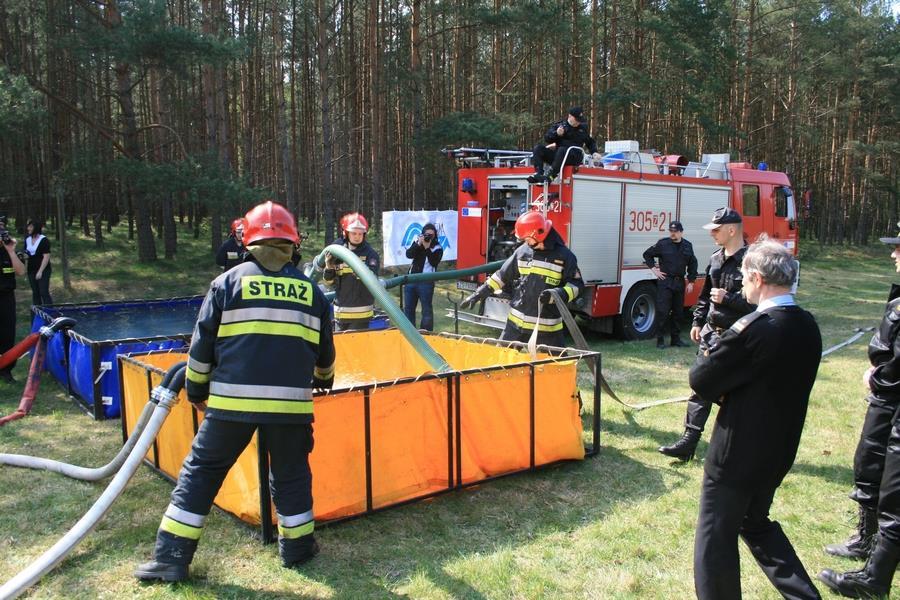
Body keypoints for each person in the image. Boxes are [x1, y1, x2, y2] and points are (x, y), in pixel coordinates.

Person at [134, 201, 335, 582]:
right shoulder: (312, 293)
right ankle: (297, 549)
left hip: (230, 406)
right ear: (292, 243)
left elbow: (201, 346)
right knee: (291, 473)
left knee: (202, 472)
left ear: (249, 240)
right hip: (291, 409)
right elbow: (325, 355)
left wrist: (195, 389)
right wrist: (323, 380)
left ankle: (171, 558)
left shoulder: (227, 283)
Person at [690, 238, 822, 600]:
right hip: (778, 451)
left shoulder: (756, 328)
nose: (742, 285)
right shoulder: (807, 325)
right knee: (755, 523)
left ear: (758, 278)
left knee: (715, 538)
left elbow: (701, 379)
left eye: (745, 278)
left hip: (736, 455)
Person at [817, 229, 900, 598]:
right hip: (887, 399)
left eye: (899, 249)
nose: (894, 254)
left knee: (895, 495)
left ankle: (874, 579)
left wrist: (878, 378)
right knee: (870, 463)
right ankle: (866, 542)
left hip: (891, 393)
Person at [658, 207, 756, 461]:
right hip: (712, 334)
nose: (712, 233)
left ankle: (737, 446)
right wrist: (697, 322)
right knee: (700, 383)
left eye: (716, 229)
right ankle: (688, 442)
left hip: (740, 337)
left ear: (732, 229)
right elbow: (704, 297)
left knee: (736, 395)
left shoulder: (752, 261)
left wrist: (730, 299)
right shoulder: (715, 258)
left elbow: (760, 305)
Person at [460, 211, 583, 348]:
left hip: (547, 330)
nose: (525, 242)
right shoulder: (523, 252)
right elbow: (502, 276)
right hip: (516, 325)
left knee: (556, 367)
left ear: (538, 234)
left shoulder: (565, 256)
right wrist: (480, 293)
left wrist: (558, 294)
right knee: (501, 362)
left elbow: (576, 286)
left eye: (527, 238)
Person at [642, 220, 698, 349]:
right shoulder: (663, 244)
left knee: (678, 312)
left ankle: (676, 339)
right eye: (671, 231)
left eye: (675, 231)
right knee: (663, 311)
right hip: (666, 282)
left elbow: (692, 264)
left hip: (679, 282)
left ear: (681, 232)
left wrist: (691, 281)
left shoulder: (688, 246)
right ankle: (660, 340)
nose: (672, 234)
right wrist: (654, 269)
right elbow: (647, 254)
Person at [322, 212, 380, 331]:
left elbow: (372, 280)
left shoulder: (370, 255)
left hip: (361, 315)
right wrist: (329, 267)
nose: (357, 237)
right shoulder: (336, 251)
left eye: (360, 234)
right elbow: (329, 283)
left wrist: (359, 271)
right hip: (340, 314)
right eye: (353, 233)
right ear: (346, 233)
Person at [526, 106, 601, 184]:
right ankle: (539, 173)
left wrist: (594, 152)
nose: (578, 122)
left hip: (574, 157)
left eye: (580, 120)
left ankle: (550, 176)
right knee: (538, 148)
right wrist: (556, 134)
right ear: (570, 116)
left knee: (562, 150)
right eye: (576, 120)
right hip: (558, 157)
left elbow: (590, 141)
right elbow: (547, 138)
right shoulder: (560, 126)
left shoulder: (582, 128)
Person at [0, 215, 26, 383]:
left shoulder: (10, 251)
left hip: (6, 297)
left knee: (7, 335)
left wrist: (10, 251)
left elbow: (21, 271)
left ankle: (6, 370)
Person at [403, 222, 443, 331]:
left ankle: (426, 334)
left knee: (426, 310)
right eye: (426, 235)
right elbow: (409, 254)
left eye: (431, 235)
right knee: (409, 309)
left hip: (426, 281)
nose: (428, 237)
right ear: (422, 234)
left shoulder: (438, 247)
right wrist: (418, 244)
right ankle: (409, 332)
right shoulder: (418, 242)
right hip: (411, 279)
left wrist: (427, 248)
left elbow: (434, 262)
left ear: (435, 236)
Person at [24, 219, 52, 306]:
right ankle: (37, 315)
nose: (28, 228)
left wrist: (40, 271)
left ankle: (50, 313)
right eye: (28, 226)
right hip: (31, 270)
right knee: (35, 293)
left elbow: (46, 256)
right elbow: (26, 253)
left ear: (36, 228)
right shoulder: (27, 239)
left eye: (31, 226)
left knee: (43, 292)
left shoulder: (44, 240)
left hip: (43, 270)